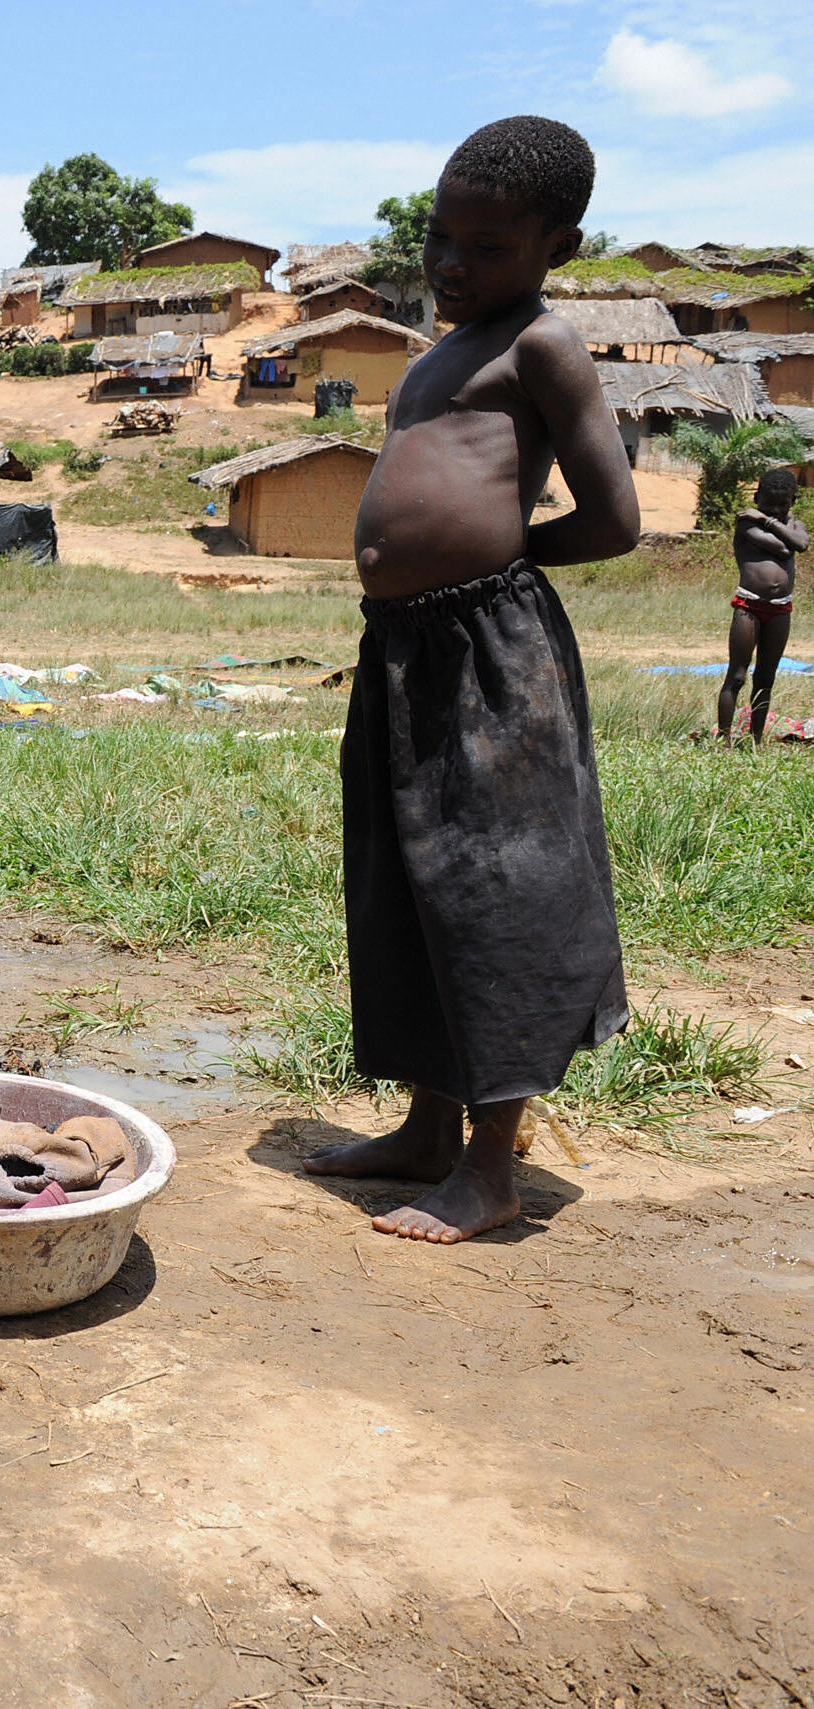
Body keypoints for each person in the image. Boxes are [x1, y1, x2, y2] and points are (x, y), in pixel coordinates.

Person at [301, 116, 640, 1243]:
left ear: (556, 243)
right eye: (440, 237)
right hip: (402, 648)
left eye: (486, 247)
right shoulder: (433, 353)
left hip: (489, 652)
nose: (451, 263)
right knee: (406, 876)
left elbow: (613, 520)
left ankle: (489, 1168)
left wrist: (494, 562)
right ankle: (422, 1127)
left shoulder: (540, 347)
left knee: (491, 887)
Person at [716, 468, 806, 744]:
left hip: (781, 609)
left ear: (793, 500)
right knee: (738, 675)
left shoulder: (774, 521)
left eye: (784, 504)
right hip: (749, 606)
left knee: (766, 677)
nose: (777, 510)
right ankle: (724, 739)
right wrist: (776, 524)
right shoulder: (746, 523)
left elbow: (799, 543)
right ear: (756, 497)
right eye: (769, 504)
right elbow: (783, 549)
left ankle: (755, 740)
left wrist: (766, 518)